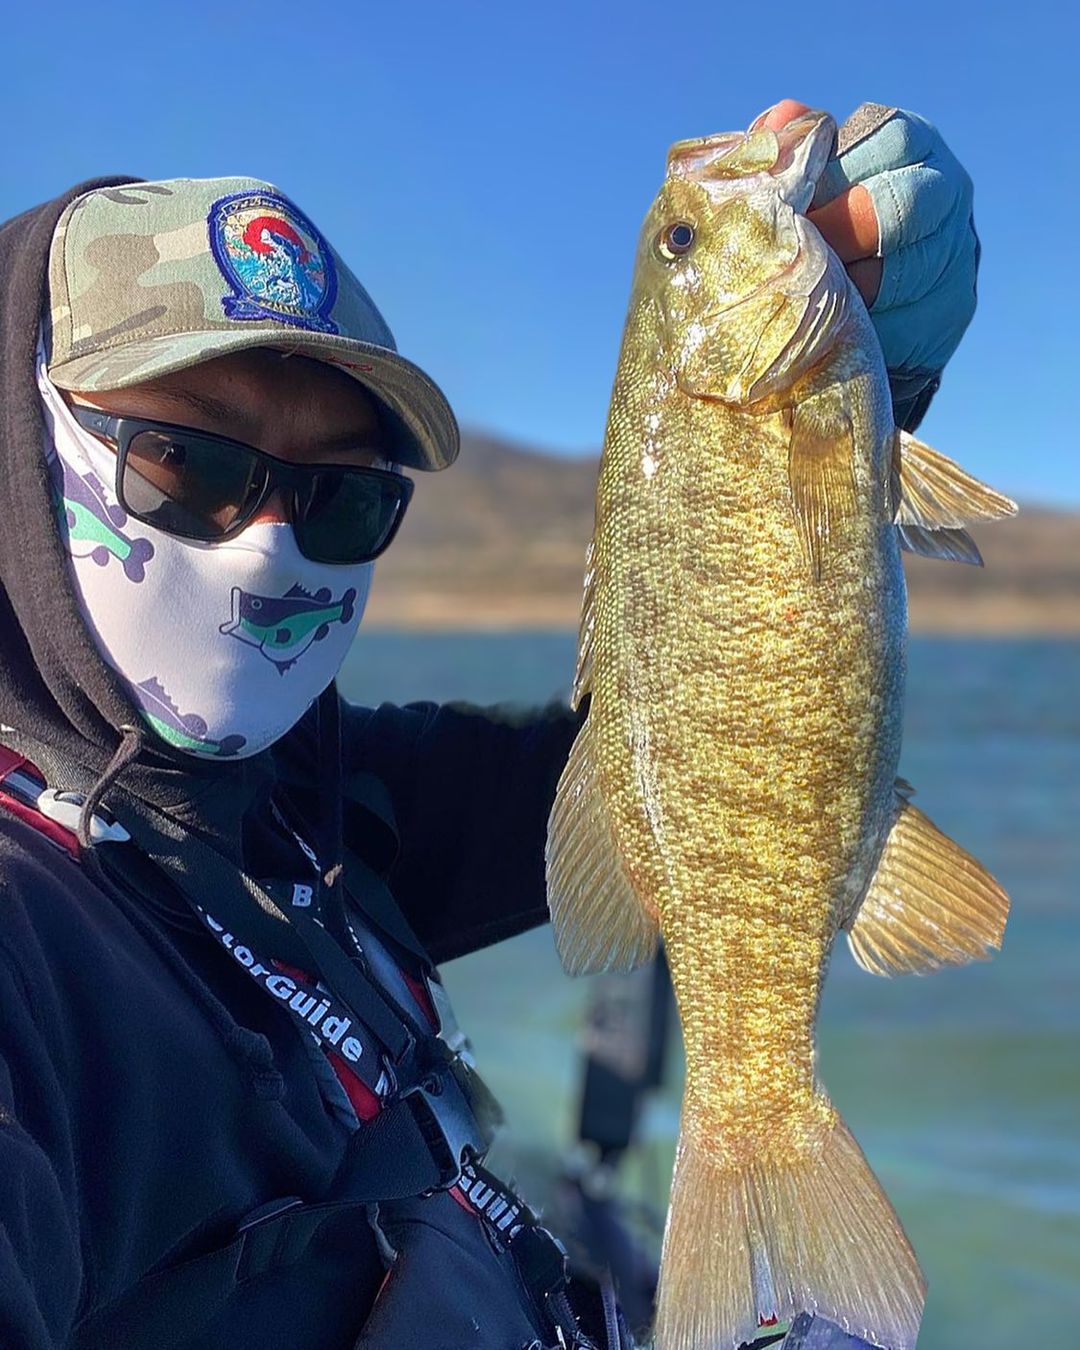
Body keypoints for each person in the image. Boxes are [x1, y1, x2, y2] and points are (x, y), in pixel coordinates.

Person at [0, 99, 979, 1350]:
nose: (270, 542)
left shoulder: (315, 807)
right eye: (186, 461)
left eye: (343, 498)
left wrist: (870, 404)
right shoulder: (25, 935)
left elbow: (692, 742)